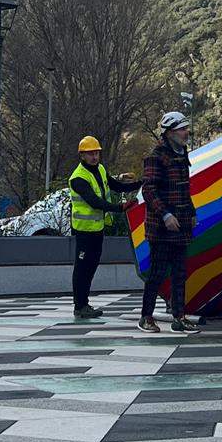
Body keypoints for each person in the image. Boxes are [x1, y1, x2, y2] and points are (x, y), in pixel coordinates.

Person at [139, 111, 200, 334]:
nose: (186, 132)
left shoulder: (182, 153)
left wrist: (192, 211)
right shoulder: (156, 156)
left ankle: (179, 316)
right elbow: (149, 190)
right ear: (171, 132)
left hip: (181, 223)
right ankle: (146, 317)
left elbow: (184, 188)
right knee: (157, 272)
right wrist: (165, 215)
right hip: (161, 227)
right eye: (183, 129)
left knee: (180, 273)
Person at [69, 135, 140, 319]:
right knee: (82, 268)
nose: (94, 156)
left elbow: (114, 185)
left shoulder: (99, 169)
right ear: (82, 156)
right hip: (84, 230)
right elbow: (93, 201)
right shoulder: (78, 178)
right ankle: (80, 306)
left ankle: (84, 304)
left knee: (91, 266)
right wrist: (119, 208)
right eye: (90, 154)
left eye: (96, 153)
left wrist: (138, 184)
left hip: (97, 229)